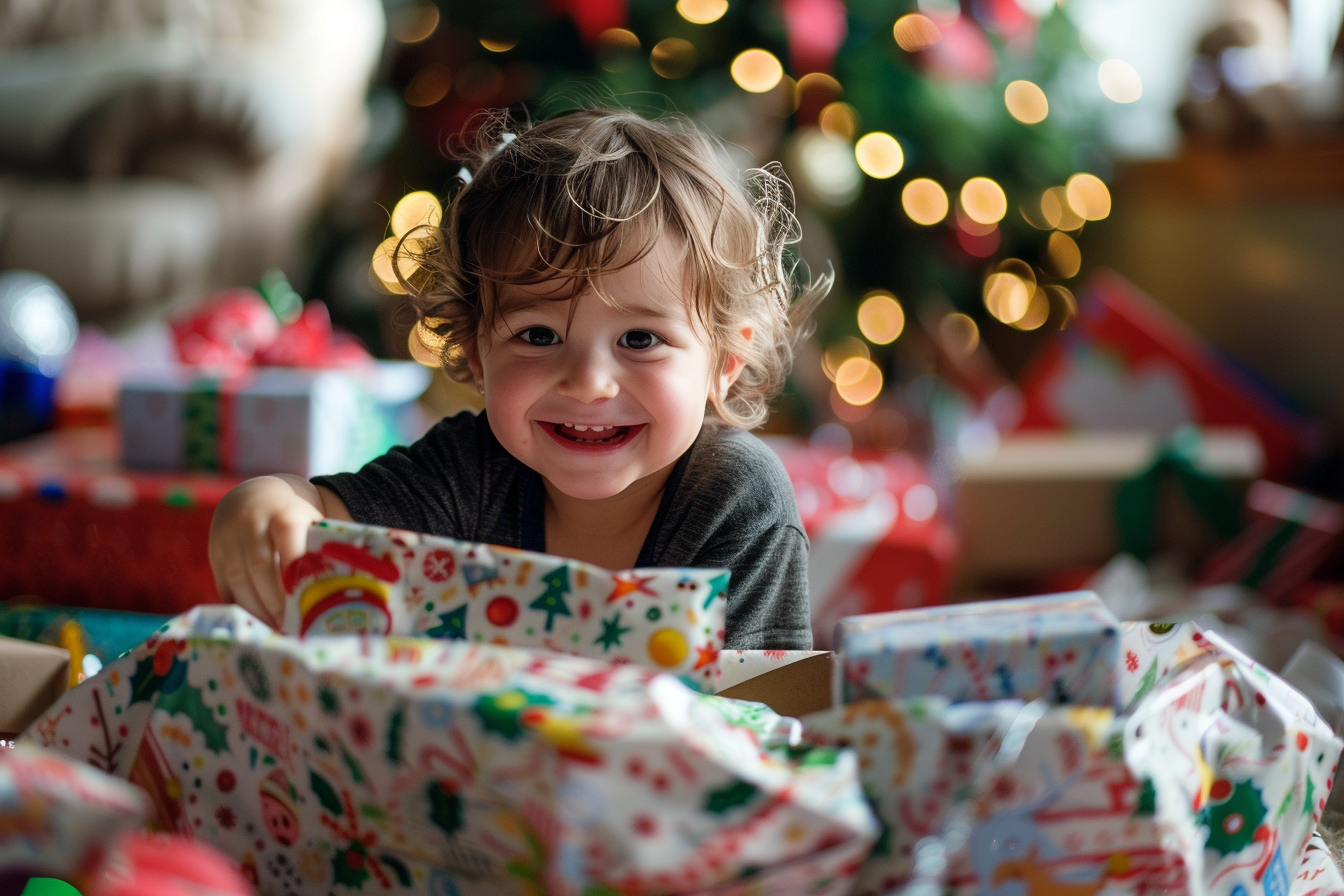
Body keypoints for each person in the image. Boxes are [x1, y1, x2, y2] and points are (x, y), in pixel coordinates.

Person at [208, 108, 830, 649]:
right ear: (478, 356)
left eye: (640, 340)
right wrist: (261, 504)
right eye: (538, 336)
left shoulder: (737, 498)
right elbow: (318, 512)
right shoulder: (471, 470)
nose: (589, 383)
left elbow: (760, 717)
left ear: (723, 363)